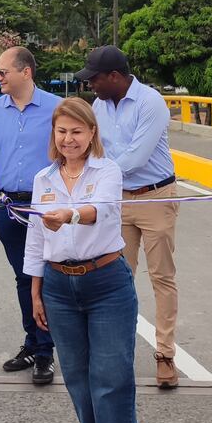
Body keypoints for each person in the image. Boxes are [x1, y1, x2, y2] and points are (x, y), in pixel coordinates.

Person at [24, 97, 141, 423]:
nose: (69, 139)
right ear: (53, 136)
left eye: (77, 131)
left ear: (92, 134)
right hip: (58, 286)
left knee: (112, 376)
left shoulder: (108, 170)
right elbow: (36, 237)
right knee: (76, 375)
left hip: (106, 282)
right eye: (62, 131)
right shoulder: (43, 179)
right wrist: (36, 291)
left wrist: (69, 214)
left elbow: (103, 211)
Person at [77, 45, 181, 389]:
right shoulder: (99, 106)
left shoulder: (151, 102)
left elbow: (136, 157)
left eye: (94, 79)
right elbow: (96, 150)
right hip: (117, 201)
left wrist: (95, 179)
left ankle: (165, 355)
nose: (90, 84)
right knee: (116, 278)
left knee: (161, 277)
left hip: (155, 196)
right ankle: (115, 354)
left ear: (115, 77)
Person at [0, 46, 59, 384]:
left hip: (48, 209)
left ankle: (46, 352)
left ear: (26, 72)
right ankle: (33, 344)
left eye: (2, 72)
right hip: (8, 207)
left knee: (48, 278)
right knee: (24, 278)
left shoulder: (57, 108)